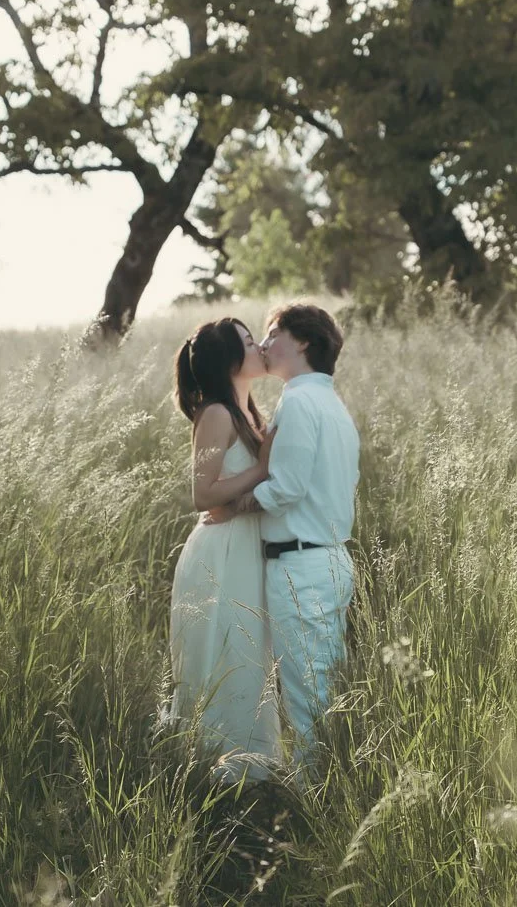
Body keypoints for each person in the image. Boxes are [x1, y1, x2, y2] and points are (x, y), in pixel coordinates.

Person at [238, 302, 359, 772]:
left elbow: (286, 487)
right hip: (326, 561)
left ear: (302, 342)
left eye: (273, 334)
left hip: (302, 567)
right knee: (321, 688)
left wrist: (236, 506)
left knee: (307, 695)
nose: (265, 345)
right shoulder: (330, 403)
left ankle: (316, 803)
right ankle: (332, 791)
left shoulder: (300, 400)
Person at [167, 317, 282, 783]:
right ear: (230, 361)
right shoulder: (215, 414)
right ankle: (218, 773)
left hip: (248, 547)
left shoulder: (249, 410)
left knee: (253, 654)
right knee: (229, 651)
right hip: (220, 555)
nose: (260, 347)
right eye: (250, 342)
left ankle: (255, 772)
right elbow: (202, 495)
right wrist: (262, 469)